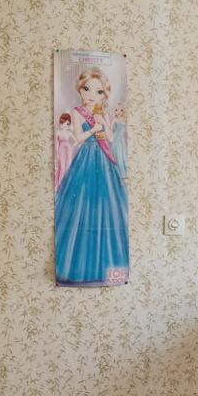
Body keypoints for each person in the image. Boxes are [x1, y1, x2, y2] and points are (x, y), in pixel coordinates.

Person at [54, 67, 129, 286]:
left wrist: (103, 123)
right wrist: (93, 128)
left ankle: (106, 265)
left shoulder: (102, 112)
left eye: (98, 91)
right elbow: (78, 137)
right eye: (87, 89)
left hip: (103, 161)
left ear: (104, 95)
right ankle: (77, 266)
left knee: (106, 207)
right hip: (86, 157)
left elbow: (110, 139)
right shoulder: (77, 112)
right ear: (80, 89)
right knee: (81, 206)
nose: (91, 95)